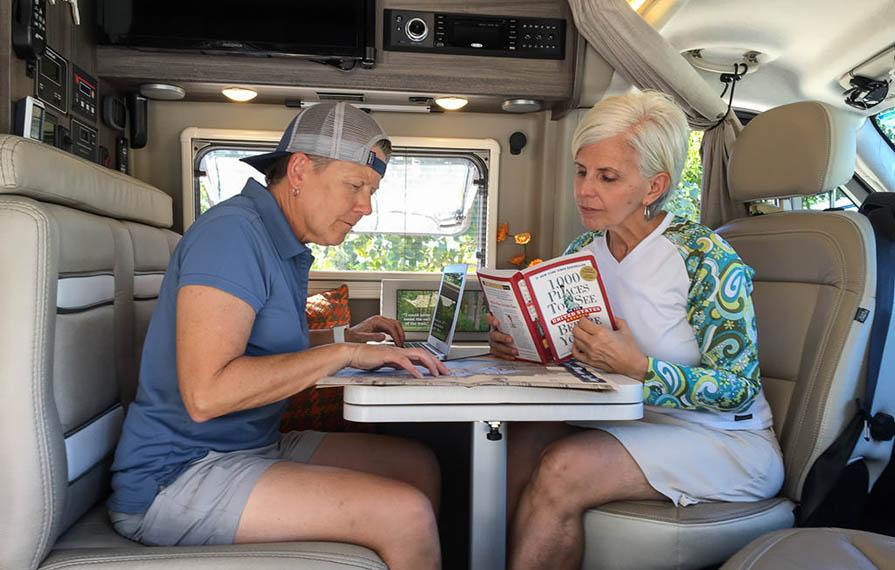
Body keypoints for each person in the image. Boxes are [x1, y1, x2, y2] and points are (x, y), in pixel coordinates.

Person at [108, 102, 447, 570]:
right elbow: (207, 393)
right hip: (179, 476)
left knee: (418, 466)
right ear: (301, 169)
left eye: (372, 191)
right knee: (406, 516)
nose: (366, 207)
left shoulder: (281, 240)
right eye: (355, 186)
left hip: (250, 446)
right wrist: (341, 353)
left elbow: (259, 346)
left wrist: (347, 338)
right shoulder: (232, 235)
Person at [488, 91, 785, 570]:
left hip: (723, 440)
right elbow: (571, 351)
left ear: (653, 187)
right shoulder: (582, 250)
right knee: (514, 446)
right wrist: (523, 342)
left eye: (608, 177)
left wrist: (639, 368)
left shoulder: (704, 257)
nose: (585, 190)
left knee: (563, 469)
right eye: (582, 171)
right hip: (626, 420)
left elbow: (739, 388)